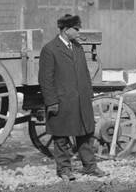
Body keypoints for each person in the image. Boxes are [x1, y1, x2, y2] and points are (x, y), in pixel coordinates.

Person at [39, 13, 102, 181]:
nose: (79, 32)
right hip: (62, 101)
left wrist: (88, 94)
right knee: (61, 137)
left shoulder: (78, 47)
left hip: (81, 100)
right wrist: (52, 102)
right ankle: (65, 170)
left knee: (85, 134)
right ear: (66, 30)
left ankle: (90, 166)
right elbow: (45, 79)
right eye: (76, 29)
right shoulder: (50, 49)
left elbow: (85, 73)